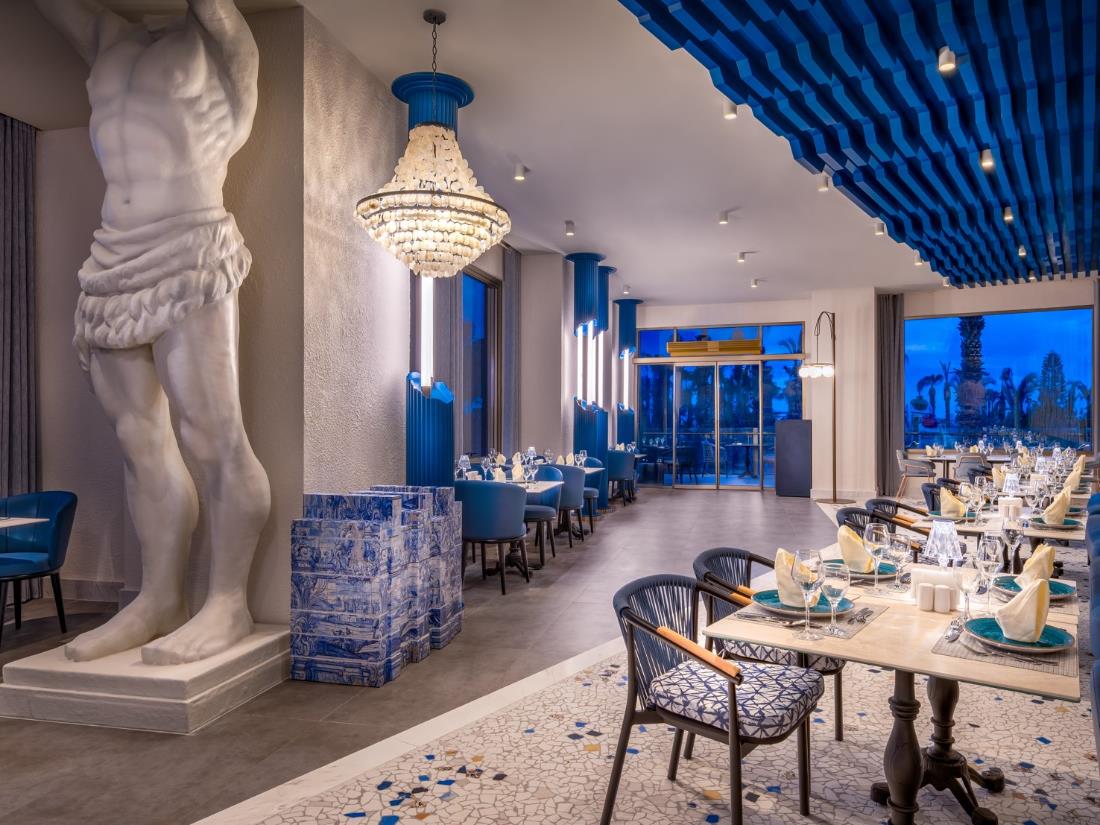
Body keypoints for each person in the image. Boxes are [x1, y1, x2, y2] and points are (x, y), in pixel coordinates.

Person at [35, 0, 270, 665]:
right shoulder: (107, 37)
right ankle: (159, 597)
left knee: (213, 436)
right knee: (139, 442)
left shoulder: (219, 36)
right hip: (112, 254)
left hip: (190, 245)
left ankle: (227, 599)